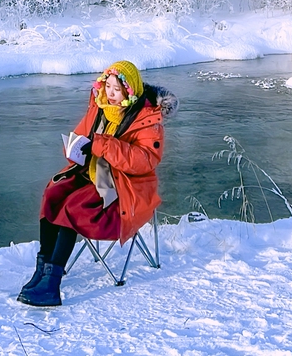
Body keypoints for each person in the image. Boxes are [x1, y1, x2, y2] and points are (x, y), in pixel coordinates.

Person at [17, 59, 178, 307]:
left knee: (73, 208)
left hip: (124, 190)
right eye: (108, 87)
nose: (110, 94)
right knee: (53, 193)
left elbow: (144, 161)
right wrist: (73, 148)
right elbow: (82, 136)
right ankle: (43, 269)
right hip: (93, 175)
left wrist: (102, 145)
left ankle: (52, 283)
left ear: (129, 91)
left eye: (117, 89)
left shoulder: (147, 119)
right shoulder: (99, 105)